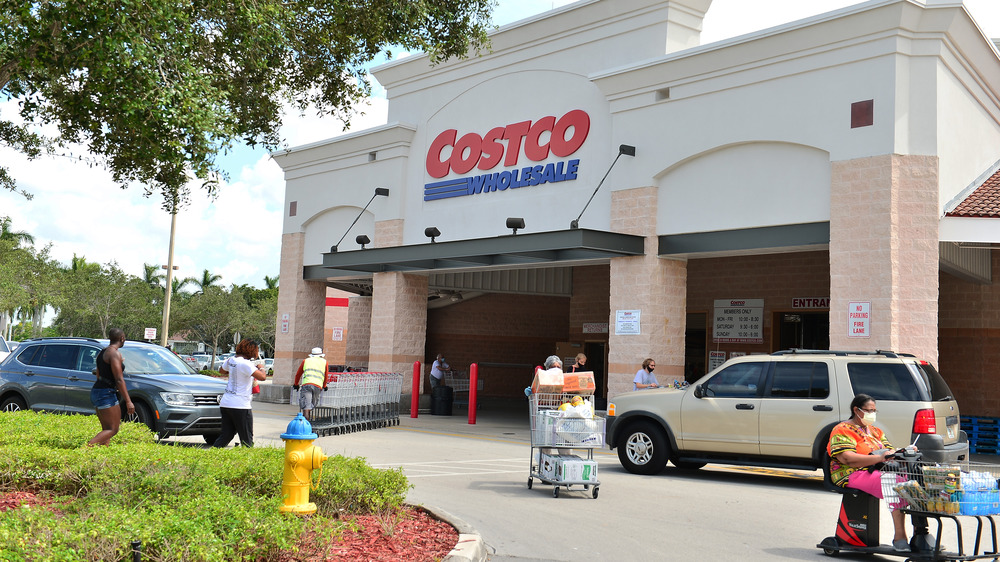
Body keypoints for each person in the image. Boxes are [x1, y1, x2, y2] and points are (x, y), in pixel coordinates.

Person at [828, 394, 914, 552]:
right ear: (856, 410)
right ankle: (900, 537)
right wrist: (878, 458)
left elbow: (889, 450)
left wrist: (903, 452)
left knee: (913, 482)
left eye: (874, 411)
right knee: (893, 484)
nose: (872, 414)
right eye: (868, 410)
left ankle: (921, 533)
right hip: (851, 473)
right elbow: (847, 458)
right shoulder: (842, 429)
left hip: (878, 470)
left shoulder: (876, 431)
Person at [213, 339, 267, 448]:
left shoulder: (231, 360)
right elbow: (262, 377)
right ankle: (248, 461)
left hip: (226, 403)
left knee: (226, 435)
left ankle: (210, 456)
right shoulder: (246, 364)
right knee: (247, 438)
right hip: (240, 405)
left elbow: (221, 371)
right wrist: (261, 368)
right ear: (252, 351)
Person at [88, 328, 136, 446]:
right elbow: (119, 379)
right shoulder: (114, 353)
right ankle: (86, 449)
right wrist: (129, 401)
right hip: (106, 393)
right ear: (122, 338)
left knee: (106, 428)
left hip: (97, 391)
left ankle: (103, 454)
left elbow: (98, 374)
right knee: (113, 429)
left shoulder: (102, 352)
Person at [292, 347, 328, 420]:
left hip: (307, 385)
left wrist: (296, 384)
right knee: (311, 405)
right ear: (321, 355)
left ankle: (306, 426)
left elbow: (298, 374)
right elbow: (326, 375)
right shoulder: (324, 362)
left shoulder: (306, 361)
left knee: (306, 406)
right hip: (318, 386)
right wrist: (324, 386)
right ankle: (309, 425)